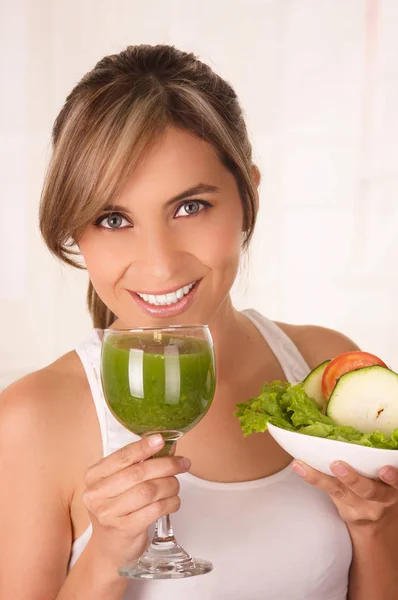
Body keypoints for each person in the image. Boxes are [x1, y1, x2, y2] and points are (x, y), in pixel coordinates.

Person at [1, 44, 397, 600]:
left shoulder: (322, 367)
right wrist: (109, 553)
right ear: (76, 229)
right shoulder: (31, 420)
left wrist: (377, 527)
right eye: (113, 219)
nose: (160, 264)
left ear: (248, 195)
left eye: (190, 207)